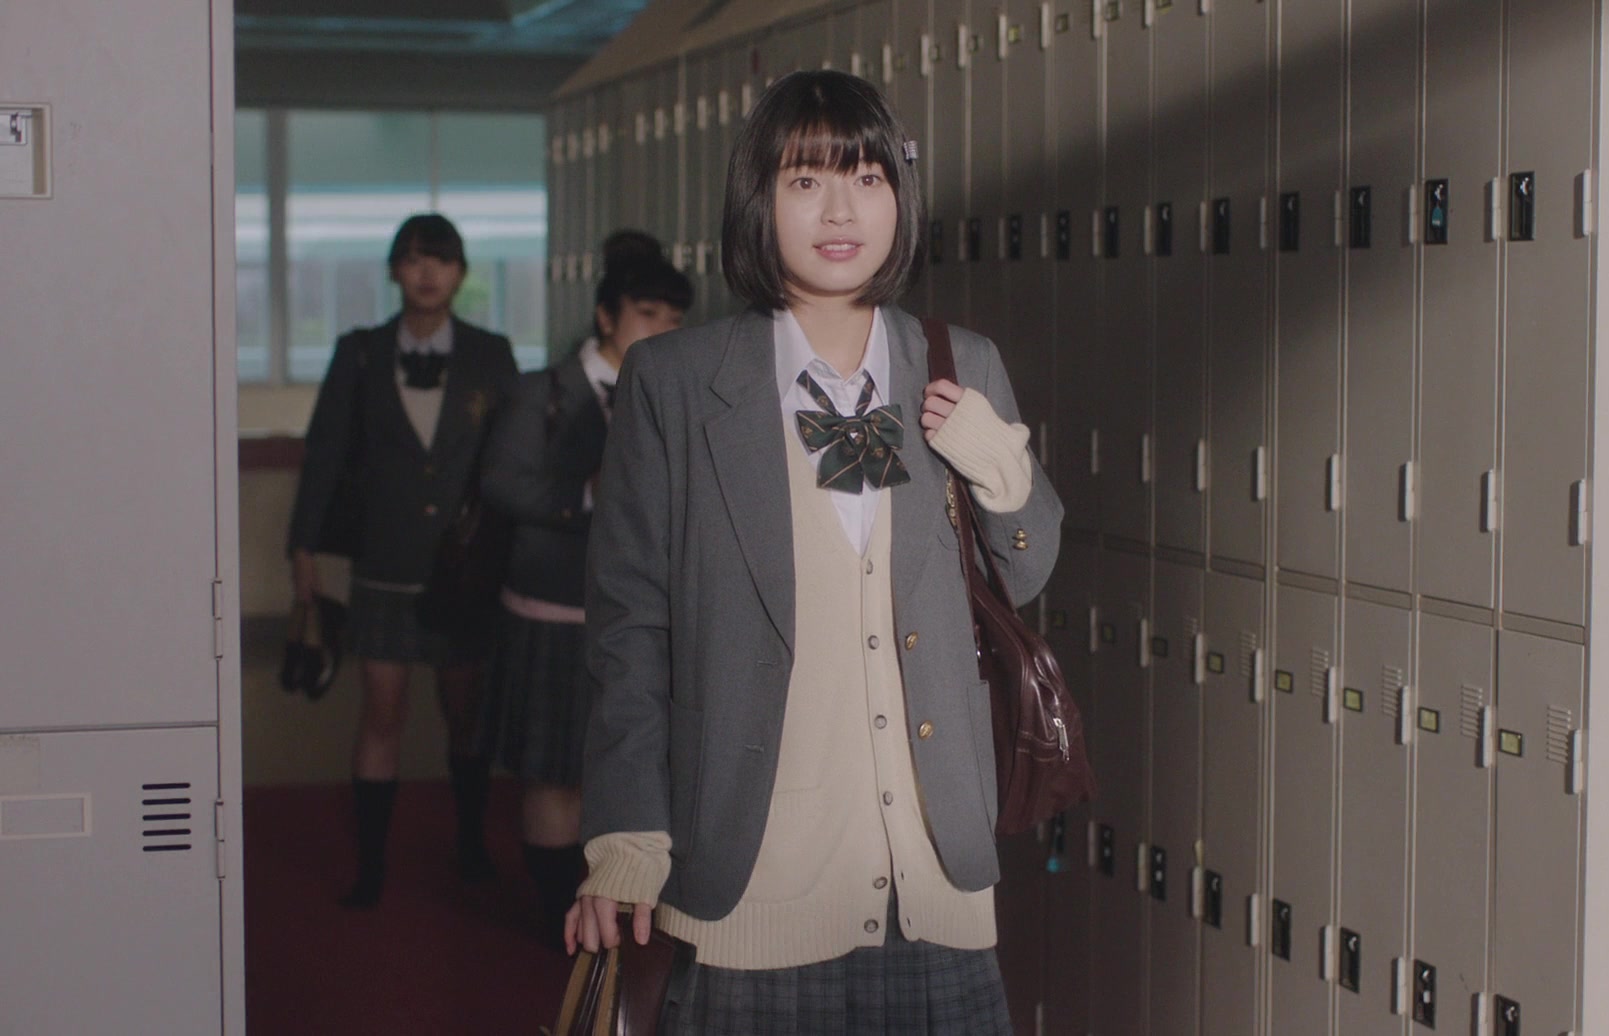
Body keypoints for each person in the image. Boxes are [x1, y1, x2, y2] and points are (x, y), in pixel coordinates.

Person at [566, 70, 1063, 1033]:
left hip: (935, 876)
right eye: (806, 181)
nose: (841, 211)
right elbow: (630, 626)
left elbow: (1026, 575)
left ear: (899, 197)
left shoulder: (960, 363)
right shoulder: (675, 381)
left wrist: (1007, 483)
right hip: (755, 879)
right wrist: (626, 832)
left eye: (868, 179)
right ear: (759, 198)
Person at [286, 213, 521, 909]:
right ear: (394, 269)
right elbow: (324, 455)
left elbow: (510, 460)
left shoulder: (491, 353)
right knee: (380, 714)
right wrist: (303, 551)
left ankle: (472, 844)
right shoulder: (358, 352)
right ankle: (371, 866)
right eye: (414, 259)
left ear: (460, 273)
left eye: (441, 260)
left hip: (463, 568)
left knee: (465, 716)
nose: (427, 273)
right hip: (383, 561)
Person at [476, 235, 692, 942]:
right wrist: (587, 496)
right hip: (553, 609)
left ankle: (618, 907)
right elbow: (501, 483)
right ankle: (552, 923)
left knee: (633, 766)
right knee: (554, 773)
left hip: (643, 613)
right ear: (606, 315)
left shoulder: (676, 389)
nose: (661, 330)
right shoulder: (542, 391)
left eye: (673, 319)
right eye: (648, 314)